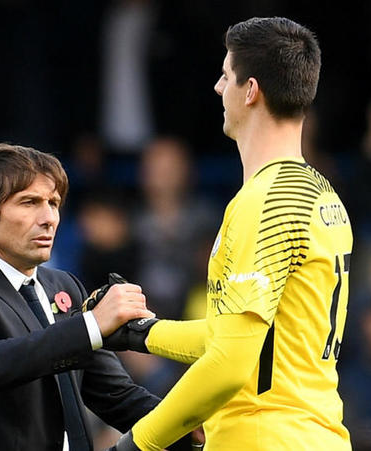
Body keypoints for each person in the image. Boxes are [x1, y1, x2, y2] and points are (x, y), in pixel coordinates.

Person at [102, 16, 353, 451]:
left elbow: (228, 363)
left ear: (250, 90)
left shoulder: (265, 202)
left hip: (265, 437)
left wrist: (137, 443)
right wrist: (142, 332)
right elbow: (240, 338)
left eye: (224, 75)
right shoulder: (320, 194)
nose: (219, 89)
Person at [0, 143, 160, 450]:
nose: (49, 218)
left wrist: (190, 429)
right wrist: (92, 326)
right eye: (29, 202)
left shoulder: (65, 287)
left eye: (53, 203)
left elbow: (116, 396)